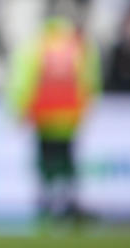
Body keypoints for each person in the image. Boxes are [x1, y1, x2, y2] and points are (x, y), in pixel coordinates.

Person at [6, 15, 101, 222]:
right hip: (69, 113)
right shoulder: (77, 45)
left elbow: (24, 79)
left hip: (44, 113)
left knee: (45, 160)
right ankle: (68, 202)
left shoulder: (36, 45)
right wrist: (87, 105)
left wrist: (18, 109)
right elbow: (89, 78)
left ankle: (47, 203)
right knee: (67, 159)